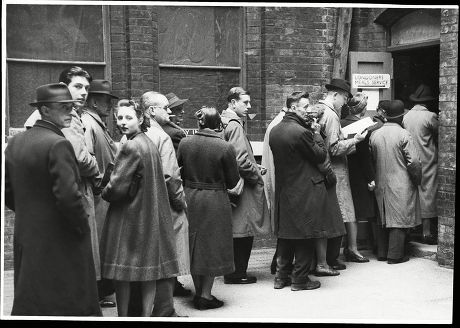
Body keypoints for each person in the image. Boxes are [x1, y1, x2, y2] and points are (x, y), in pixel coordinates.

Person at [5, 83, 101, 316]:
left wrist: (31, 215)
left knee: (33, 299)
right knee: (70, 303)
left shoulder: (16, 142)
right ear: (44, 110)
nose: (70, 112)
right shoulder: (58, 143)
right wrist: (80, 229)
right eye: (63, 107)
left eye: (71, 107)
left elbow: (8, 192)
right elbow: (69, 197)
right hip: (61, 240)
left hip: (28, 236)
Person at [100, 100, 179, 316]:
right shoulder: (148, 142)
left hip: (131, 216)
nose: (122, 122)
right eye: (119, 117)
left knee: (123, 273)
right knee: (148, 273)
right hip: (149, 215)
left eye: (128, 117)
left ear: (141, 119)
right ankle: (145, 316)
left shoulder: (130, 145)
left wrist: (103, 189)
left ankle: (124, 317)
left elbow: (116, 187)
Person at [126, 92, 189, 317]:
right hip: (163, 205)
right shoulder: (160, 136)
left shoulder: (132, 134)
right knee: (167, 258)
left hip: (138, 206)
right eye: (165, 107)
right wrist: (181, 202)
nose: (170, 111)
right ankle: (164, 310)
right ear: (151, 111)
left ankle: (143, 309)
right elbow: (170, 176)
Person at [269, 92, 334, 291]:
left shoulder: (276, 130)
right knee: (306, 234)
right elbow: (320, 155)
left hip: (285, 189)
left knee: (286, 234)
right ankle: (300, 279)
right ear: (292, 107)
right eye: (305, 107)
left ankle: (281, 277)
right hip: (305, 189)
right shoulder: (302, 132)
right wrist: (316, 133)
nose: (309, 110)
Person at [178, 106, 240, 309]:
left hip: (190, 197)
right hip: (215, 200)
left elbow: (178, 170)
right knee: (213, 245)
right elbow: (232, 182)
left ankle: (198, 292)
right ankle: (206, 295)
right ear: (218, 124)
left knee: (195, 245)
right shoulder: (225, 147)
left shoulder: (185, 143)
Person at [221, 87, 270, 285]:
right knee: (243, 231)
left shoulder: (226, 121)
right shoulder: (234, 125)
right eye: (245, 102)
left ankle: (233, 271)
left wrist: (253, 164)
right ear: (233, 103)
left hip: (232, 184)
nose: (249, 106)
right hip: (243, 187)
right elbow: (240, 161)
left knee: (237, 230)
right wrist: (256, 175)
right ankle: (237, 273)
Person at [317, 78, 369, 263]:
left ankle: (330, 258)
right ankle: (330, 259)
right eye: (345, 98)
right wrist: (356, 140)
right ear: (336, 95)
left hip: (325, 168)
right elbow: (334, 148)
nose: (346, 102)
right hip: (334, 169)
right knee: (338, 214)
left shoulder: (322, 110)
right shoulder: (331, 115)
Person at [80, 79, 119, 307]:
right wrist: (99, 183)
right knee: (99, 246)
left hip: (104, 193)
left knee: (105, 245)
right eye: (106, 101)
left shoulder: (97, 123)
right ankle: (98, 293)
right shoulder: (88, 123)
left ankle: (103, 290)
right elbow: (87, 157)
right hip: (98, 193)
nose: (110, 106)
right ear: (94, 101)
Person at [370, 100, 422, 264]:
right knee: (399, 219)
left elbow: (371, 159)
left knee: (383, 217)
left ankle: (382, 253)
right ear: (400, 118)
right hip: (401, 182)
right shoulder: (403, 134)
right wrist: (417, 179)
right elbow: (413, 162)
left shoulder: (375, 134)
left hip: (380, 182)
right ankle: (395, 255)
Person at [403, 84, 439, 245]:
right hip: (428, 160)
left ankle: (411, 229)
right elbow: (441, 135)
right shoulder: (430, 116)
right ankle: (426, 232)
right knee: (428, 194)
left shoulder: (406, 116)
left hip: (411, 158)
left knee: (414, 193)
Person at [340, 93, 377, 252]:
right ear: (363, 109)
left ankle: (343, 245)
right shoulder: (363, 126)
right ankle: (353, 247)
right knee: (354, 211)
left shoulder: (340, 122)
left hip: (342, 166)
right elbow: (364, 156)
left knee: (344, 208)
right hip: (357, 172)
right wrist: (371, 178)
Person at [261, 105, 287, 275]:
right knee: (285, 223)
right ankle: (279, 263)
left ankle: (279, 262)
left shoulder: (276, 124)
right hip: (282, 182)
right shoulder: (280, 126)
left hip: (277, 180)